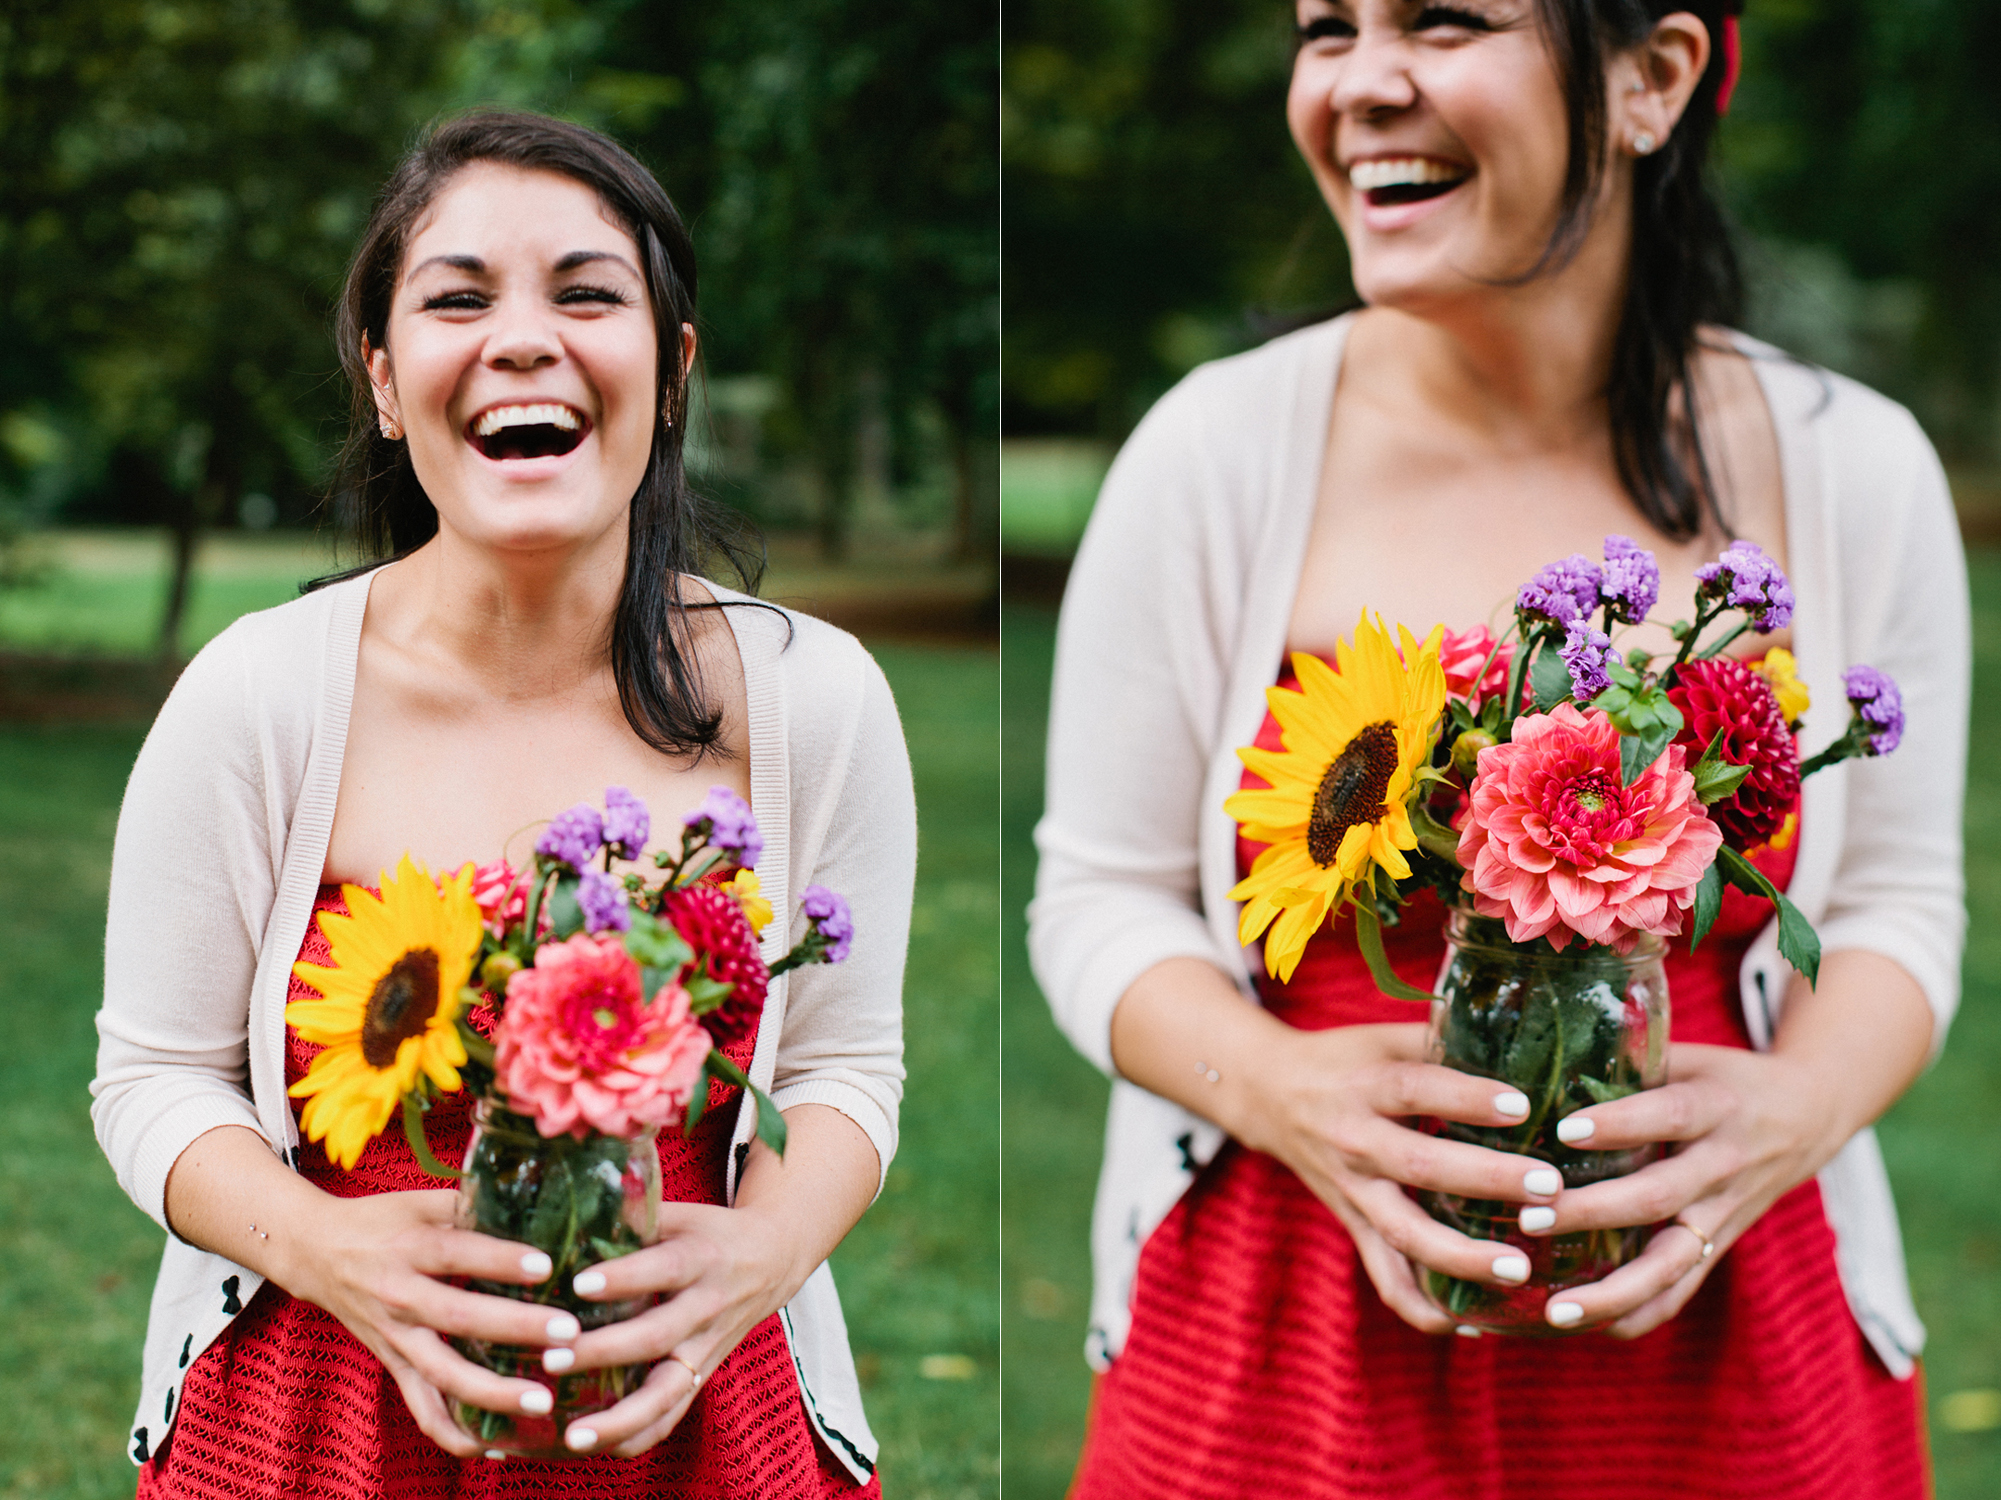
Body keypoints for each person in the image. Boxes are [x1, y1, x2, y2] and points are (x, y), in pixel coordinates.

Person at [1029, 3, 1965, 1496]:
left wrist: (1787, 1115)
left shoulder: (1852, 467)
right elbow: (1095, 900)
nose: (1360, 84)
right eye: (1323, 28)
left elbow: (1901, 906)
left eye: (1444, 19)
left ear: (1652, 78)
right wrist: (1281, 1094)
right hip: (1290, 1338)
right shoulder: (1207, 458)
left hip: (1726, 1351)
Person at [91, 111, 914, 1496]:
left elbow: (846, 1069)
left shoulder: (813, 701)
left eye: (587, 292)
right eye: (457, 298)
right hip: (319, 1427)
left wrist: (759, 1260)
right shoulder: (256, 698)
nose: (523, 338)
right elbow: (152, 1081)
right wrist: (324, 1249)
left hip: (693, 1427)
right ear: (386, 380)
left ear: (672, 365)